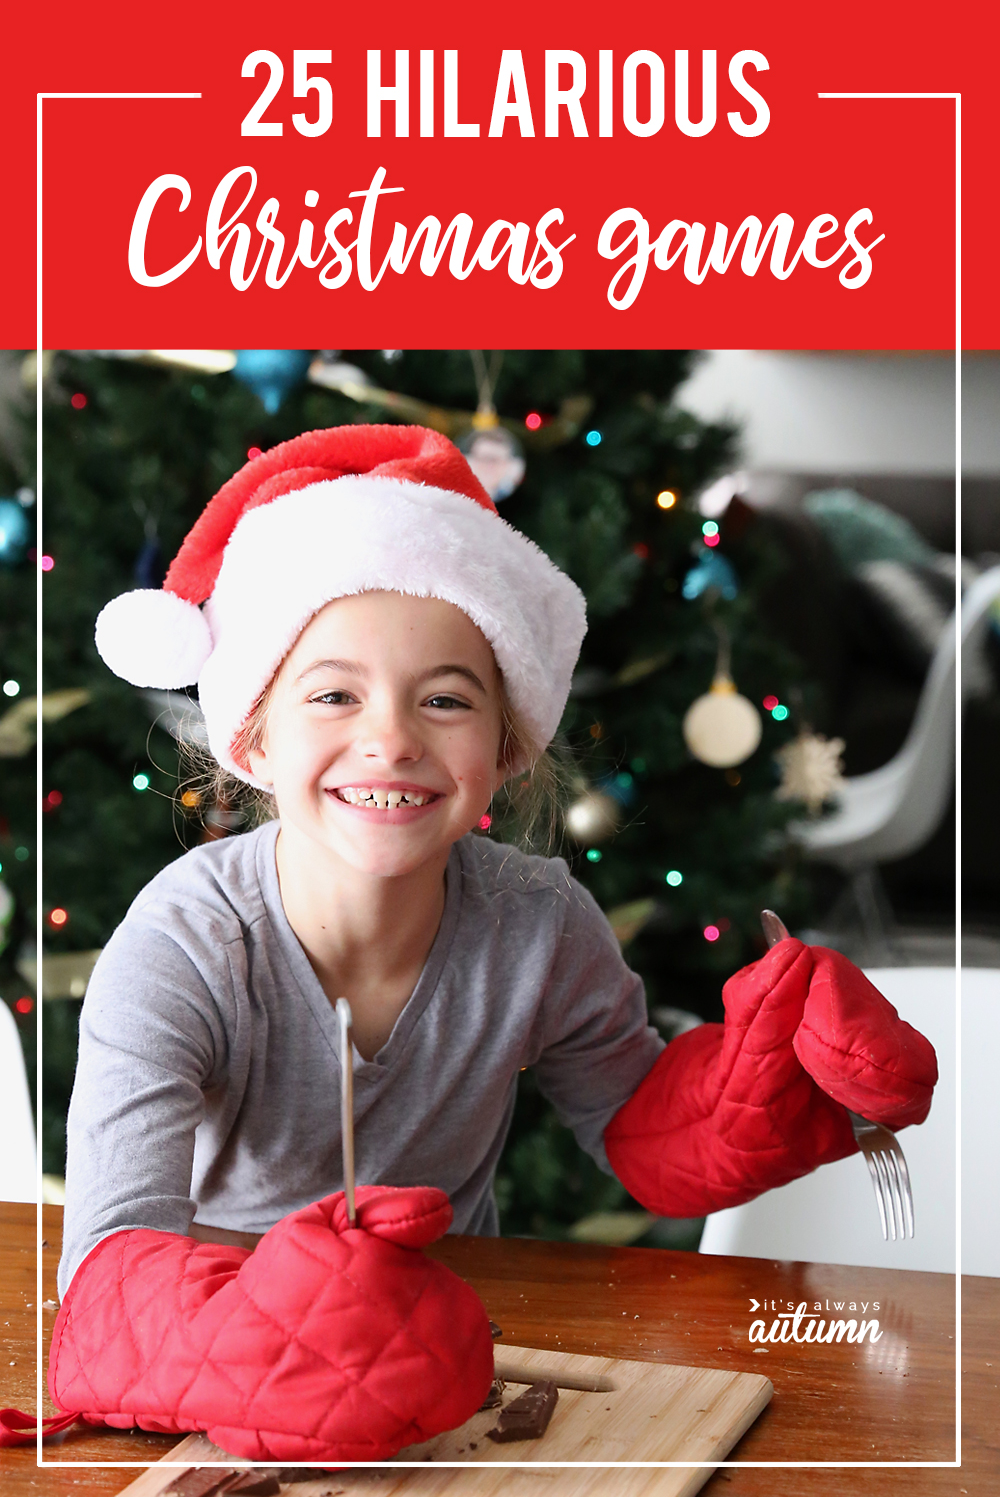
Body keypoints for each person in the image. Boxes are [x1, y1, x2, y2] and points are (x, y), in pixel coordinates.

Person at [36, 425, 936, 1463]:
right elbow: (111, 1267)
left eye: (446, 699)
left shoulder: (539, 923)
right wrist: (278, 1344)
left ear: (507, 747)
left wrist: (765, 1076)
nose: (391, 738)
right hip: (216, 1376)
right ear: (252, 737)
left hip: (458, 1357)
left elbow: (642, 1133)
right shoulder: (183, 945)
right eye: (333, 694)